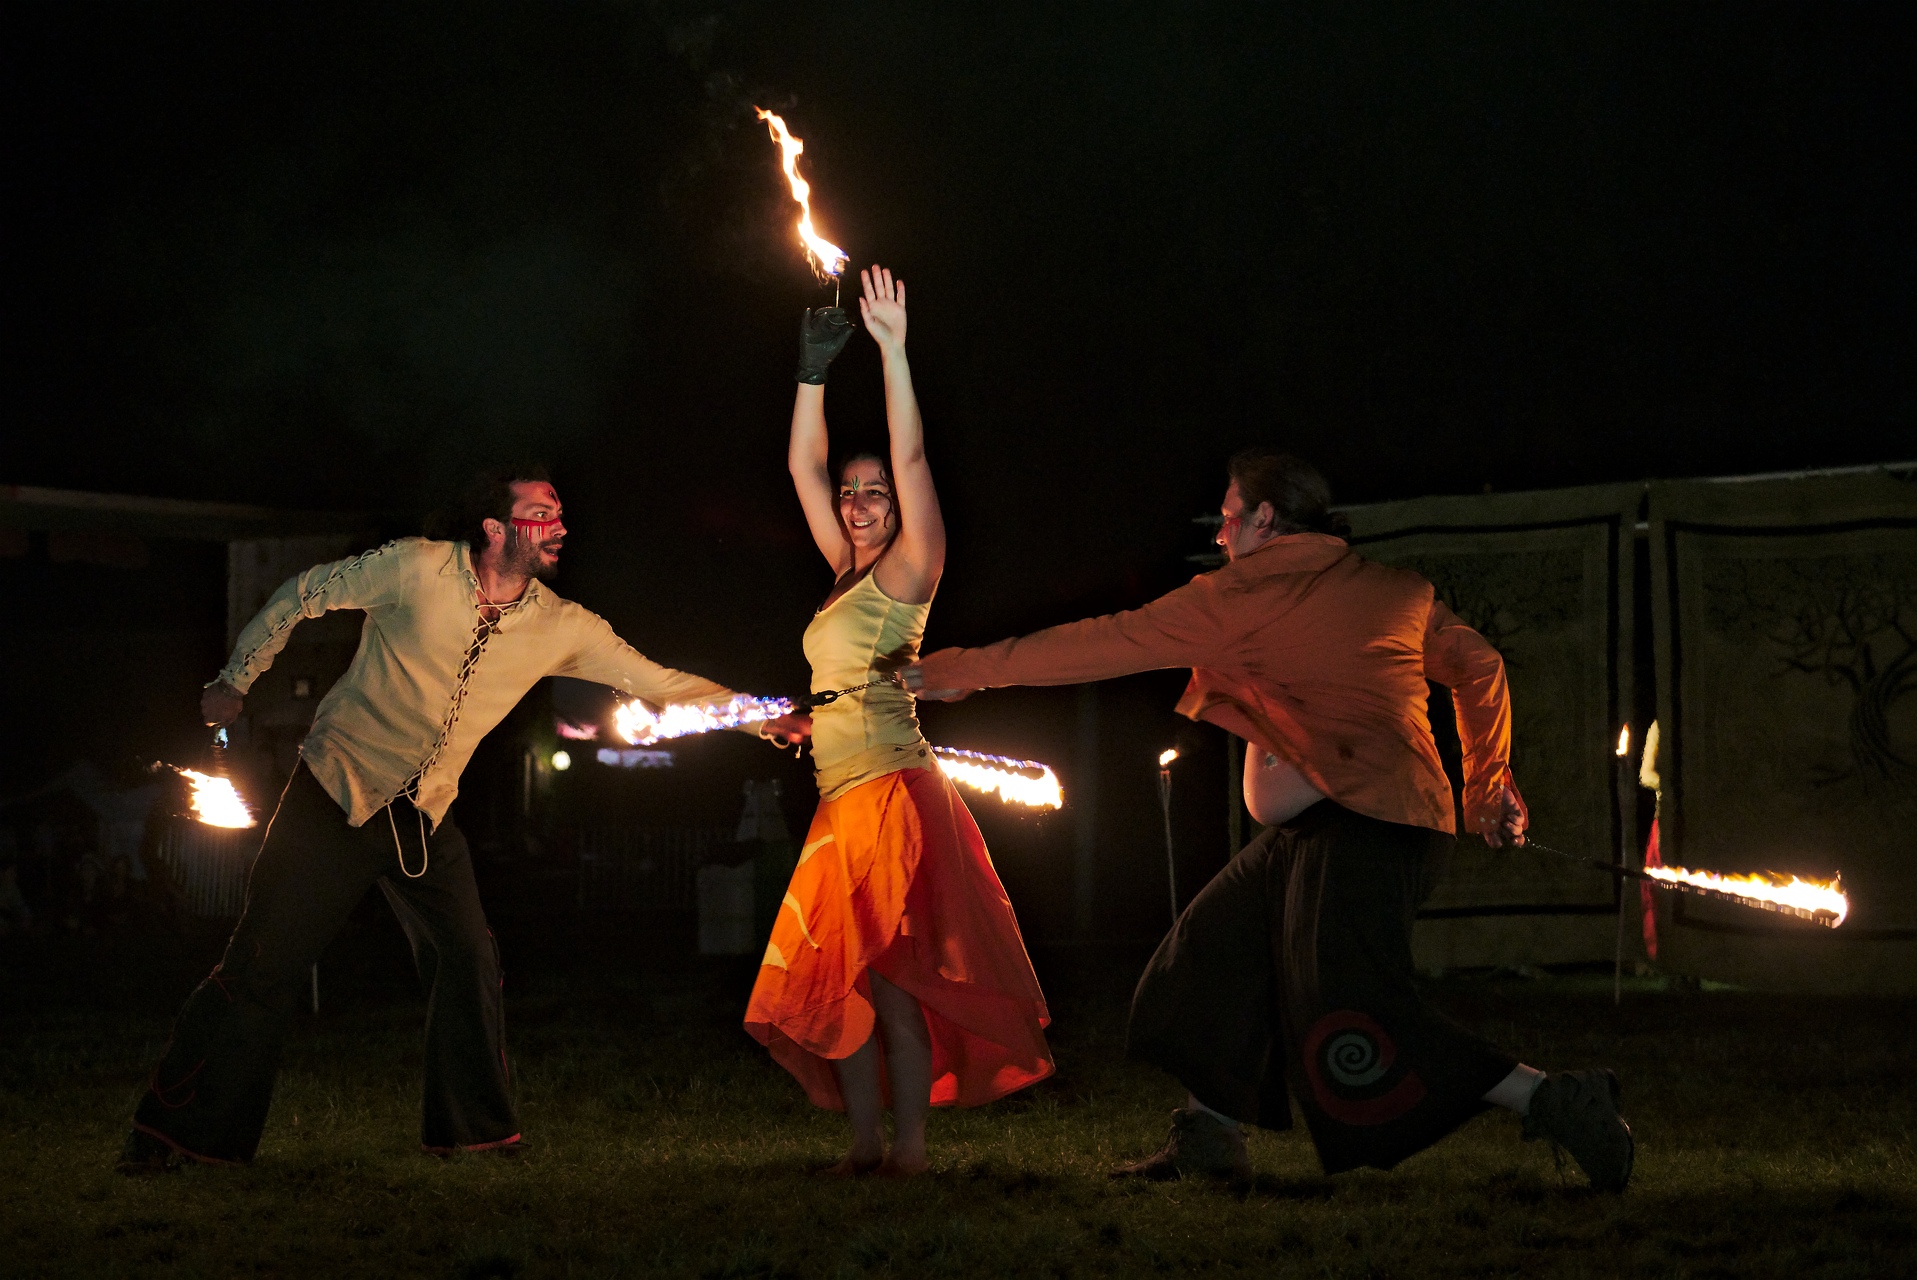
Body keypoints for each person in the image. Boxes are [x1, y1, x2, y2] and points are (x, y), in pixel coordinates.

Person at [904, 448, 1635, 1192]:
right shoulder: (1392, 590)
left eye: (1226, 519)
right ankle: (1207, 1138)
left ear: (1261, 517)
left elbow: (1096, 642)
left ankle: (1555, 1098)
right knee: (1209, 955)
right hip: (1335, 832)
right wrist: (1485, 789)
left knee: (1354, 1011)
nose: (1220, 538)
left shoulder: (1239, 597)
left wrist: (951, 671)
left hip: (1366, 831)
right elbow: (1479, 666)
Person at [120, 467, 803, 1172]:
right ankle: (179, 1136)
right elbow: (306, 593)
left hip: (422, 817)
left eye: (561, 514)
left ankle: (472, 1136)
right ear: (494, 529)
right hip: (335, 794)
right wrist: (236, 676)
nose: (561, 527)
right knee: (262, 967)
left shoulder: (561, 625)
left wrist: (767, 720)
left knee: (469, 959)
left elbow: (663, 683)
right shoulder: (414, 568)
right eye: (542, 513)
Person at [743, 266, 1053, 1178]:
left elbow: (912, 460)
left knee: (893, 981)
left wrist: (890, 349)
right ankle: (868, 1145)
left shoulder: (909, 569)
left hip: (892, 794)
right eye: (851, 491)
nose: (858, 500)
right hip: (838, 795)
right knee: (844, 981)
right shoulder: (841, 568)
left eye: (872, 490)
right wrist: (808, 374)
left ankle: (908, 1149)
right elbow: (801, 465)